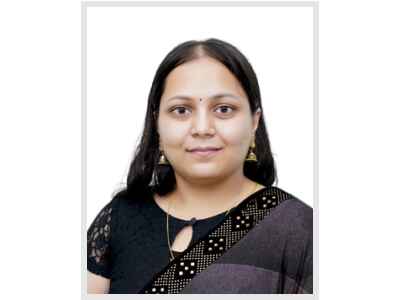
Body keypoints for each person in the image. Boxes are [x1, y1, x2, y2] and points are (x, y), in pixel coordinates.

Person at [87, 38, 313, 294]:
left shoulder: (300, 229)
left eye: (224, 109)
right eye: (181, 110)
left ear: (254, 121)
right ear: (157, 122)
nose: (203, 129)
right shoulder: (118, 219)